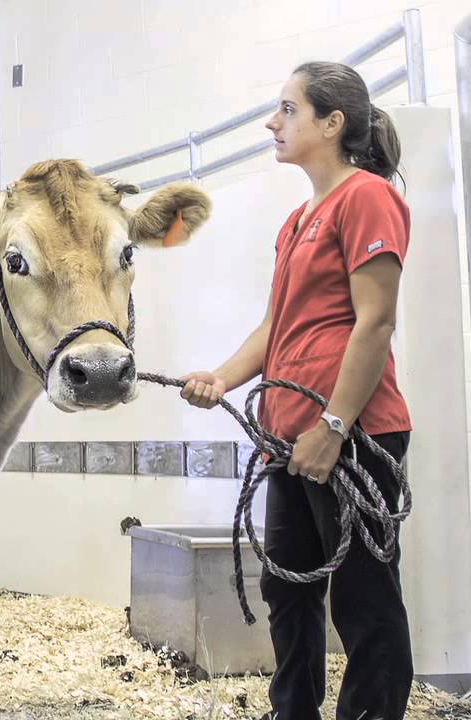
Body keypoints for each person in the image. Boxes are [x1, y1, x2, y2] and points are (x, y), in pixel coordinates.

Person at [179, 62, 412, 720]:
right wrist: (221, 377)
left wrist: (333, 429)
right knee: (287, 592)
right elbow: (275, 326)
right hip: (289, 436)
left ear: (332, 123)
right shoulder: (297, 219)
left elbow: (376, 321)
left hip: (353, 433)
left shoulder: (367, 197)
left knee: (364, 601)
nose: (271, 122)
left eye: (287, 109)